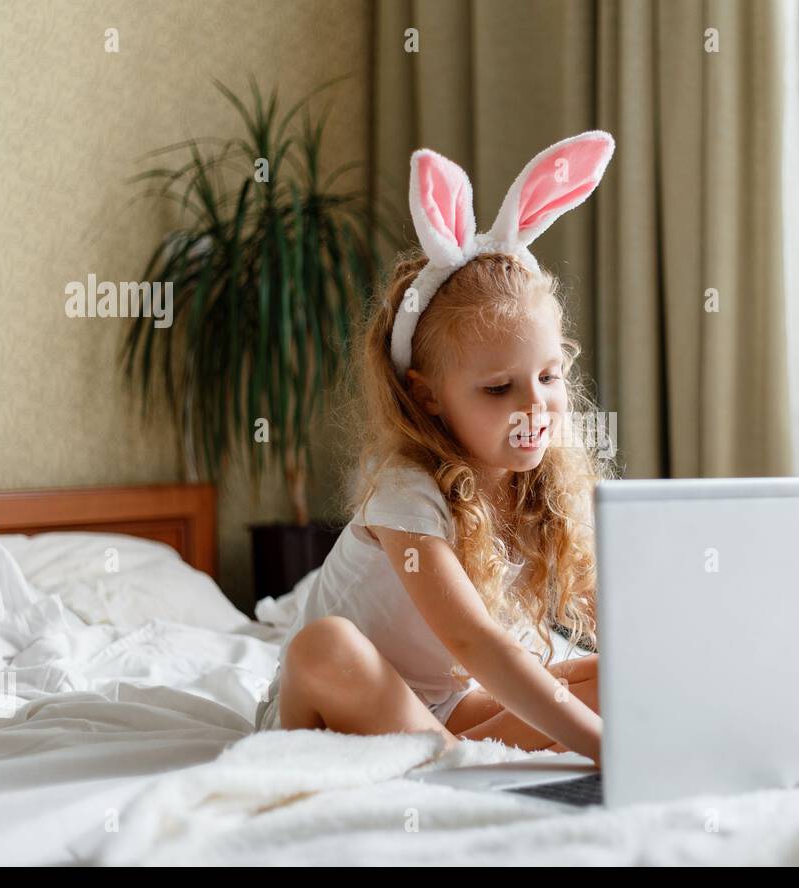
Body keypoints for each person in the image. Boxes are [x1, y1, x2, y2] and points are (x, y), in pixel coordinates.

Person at [253, 131, 617, 767]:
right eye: (499, 388)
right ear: (427, 398)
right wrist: (604, 749)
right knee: (323, 646)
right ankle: (455, 766)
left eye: (550, 377)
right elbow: (472, 640)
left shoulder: (536, 482)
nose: (534, 406)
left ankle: (446, 757)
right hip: (334, 704)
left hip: (440, 716)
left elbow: (603, 604)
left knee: (620, 673)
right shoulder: (405, 484)